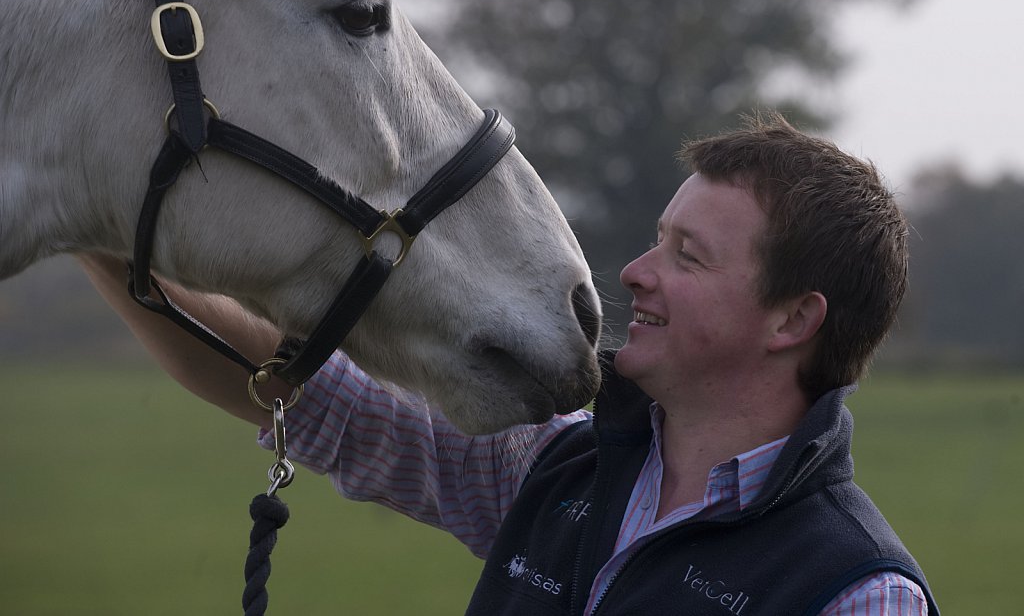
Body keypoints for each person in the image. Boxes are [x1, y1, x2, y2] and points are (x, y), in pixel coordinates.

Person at [82, 111, 938, 614]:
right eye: (655, 241)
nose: (636, 273)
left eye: (688, 256)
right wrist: (90, 216)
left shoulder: (858, 594)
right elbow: (302, 388)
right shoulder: (554, 464)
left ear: (793, 319)